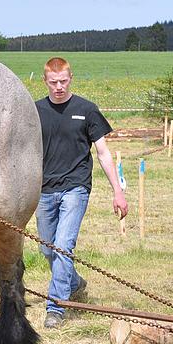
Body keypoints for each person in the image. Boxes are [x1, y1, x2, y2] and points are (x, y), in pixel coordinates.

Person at [35, 57, 128, 329]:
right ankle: (74, 283)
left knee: (63, 247)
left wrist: (118, 192)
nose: (59, 87)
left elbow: (103, 153)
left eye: (63, 81)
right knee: (48, 249)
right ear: (45, 82)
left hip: (75, 188)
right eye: (53, 82)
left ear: (70, 78)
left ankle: (56, 308)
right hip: (43, 190)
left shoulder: (86, 110)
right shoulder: (36, 111)